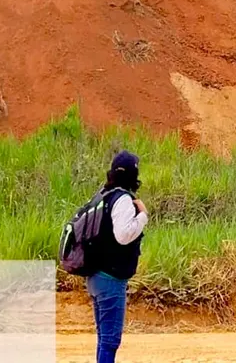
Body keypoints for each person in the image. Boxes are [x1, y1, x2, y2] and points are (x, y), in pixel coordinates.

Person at [87, 150, 148, 363]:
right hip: (110, 279)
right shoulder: (122, 199)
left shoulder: (103, 195)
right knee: (110, 341)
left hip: (96, 276)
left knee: (104, 339)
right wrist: (142, 216)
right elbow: (123, 236)